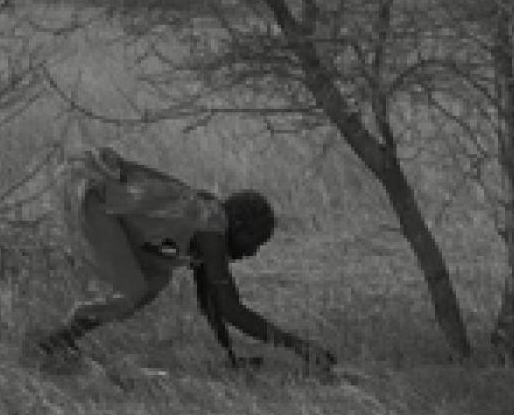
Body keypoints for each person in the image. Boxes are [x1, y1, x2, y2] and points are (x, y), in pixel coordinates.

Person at [32, 146, 336, 372]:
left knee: (154, 279)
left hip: (88, 183)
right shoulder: (210, 225)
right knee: (134, 289)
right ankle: (52, 343)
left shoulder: (206, 223)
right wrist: (300, 347)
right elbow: (231, 308)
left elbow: (212, 303)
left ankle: (58, 343)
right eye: (254, 242)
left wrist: (231, 358)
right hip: (90, 189)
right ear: (238, 224)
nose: (251, 253)